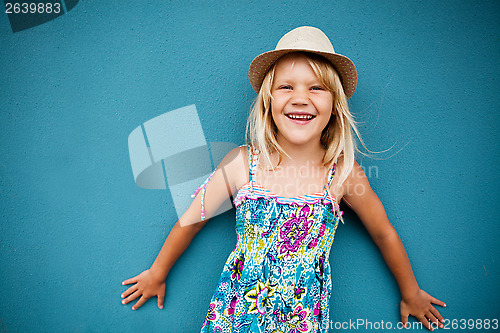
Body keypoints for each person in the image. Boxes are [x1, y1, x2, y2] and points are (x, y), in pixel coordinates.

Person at [121, 26, 446, 332]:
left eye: (316, 87)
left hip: (302, 321)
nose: (301, 97)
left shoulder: (343, 173)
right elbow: (193, 219)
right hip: (235, 318)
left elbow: (383, 232)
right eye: (287, 86)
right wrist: (157, 273)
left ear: (334, 105)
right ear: (269, 100)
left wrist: (410, 292)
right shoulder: (241, 163)